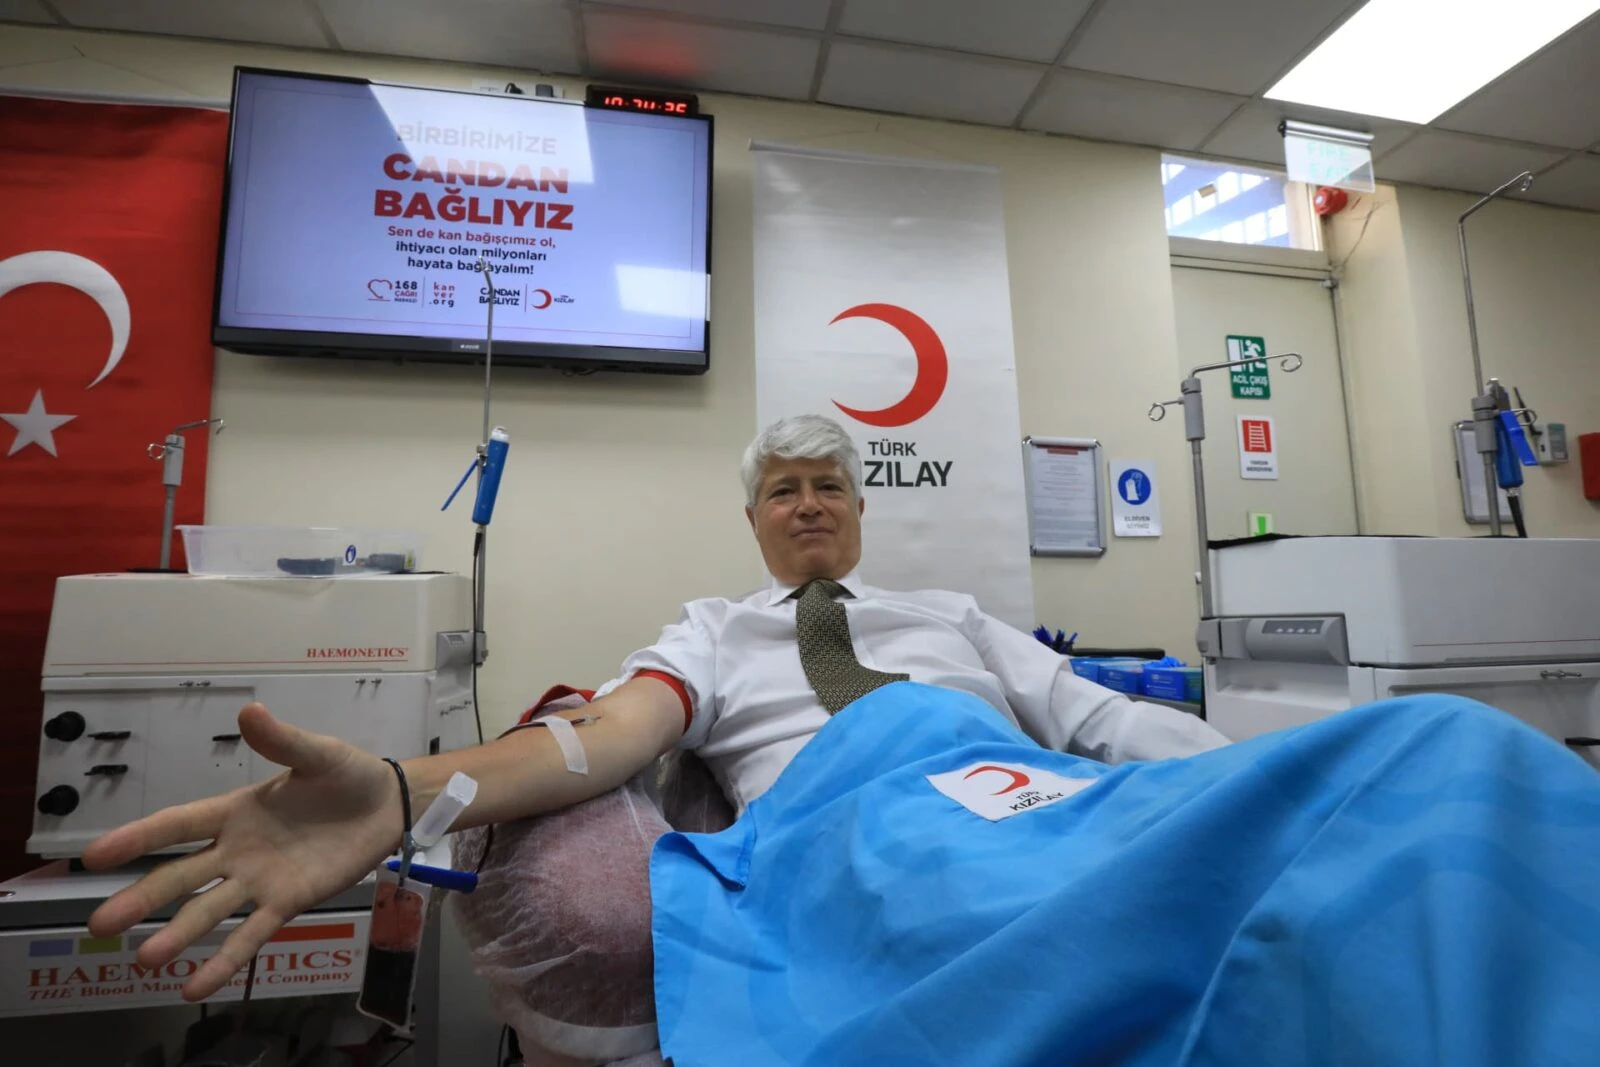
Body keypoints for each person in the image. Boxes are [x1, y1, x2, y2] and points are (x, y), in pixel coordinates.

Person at [83, 414, 1227, 1004]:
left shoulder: (953, 615)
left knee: (1400, 750)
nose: (809, 503)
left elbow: (1095, 717)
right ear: (755, 520)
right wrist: (401, 790)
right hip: (859, 822)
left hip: (1027, 797)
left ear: (861, 510)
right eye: (784, 489)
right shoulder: (714, 629)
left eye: (829, 484)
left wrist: (1234, 770)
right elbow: (613, 732)